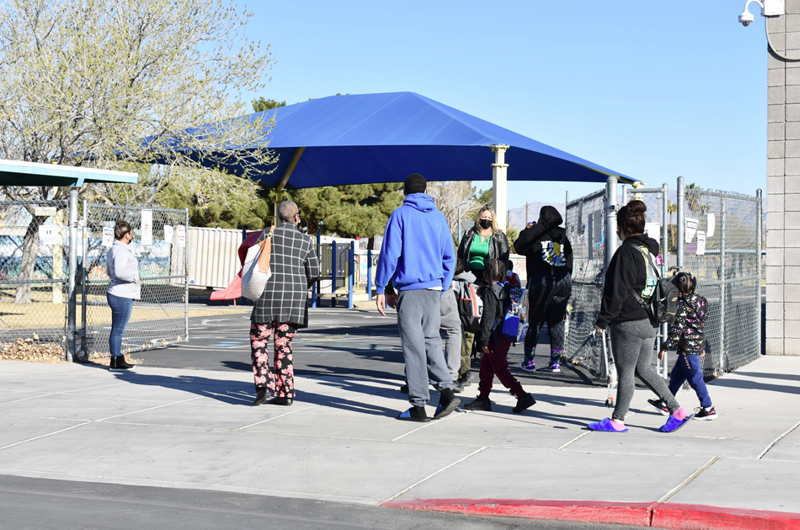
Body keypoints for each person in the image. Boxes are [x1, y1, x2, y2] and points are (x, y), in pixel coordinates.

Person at [590, 200, 692, 433]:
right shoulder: (649, 251)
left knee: (626, 371)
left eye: (617, 227)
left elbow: (616, 291)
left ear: (623, 228)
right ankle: (677, 410)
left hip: (628, 322)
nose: (616, 231)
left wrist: (603, 320)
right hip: (650, 320)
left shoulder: (625, 252)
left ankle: (617, 420)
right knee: (643, 369)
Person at [375, 173, 459, 422]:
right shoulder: (438, 216)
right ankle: (445, 391)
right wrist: (442, 285)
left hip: (410, 289)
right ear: (425, 190)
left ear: (405, 192)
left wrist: (381, 287)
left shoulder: (401, 215)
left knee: (413, 347)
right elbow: (449, 256)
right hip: (434, 288)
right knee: (431, 340)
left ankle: (419, 406)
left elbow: (390, 253)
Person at [251, 201, 320, 407]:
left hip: (266, 297)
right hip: (293, 302)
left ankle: (263, 385)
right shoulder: (306, 241)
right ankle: (285, 393)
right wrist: (299, 284)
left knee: (259, 339)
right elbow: (314, 273)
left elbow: (254, 262)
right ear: (296, 217)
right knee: (283, 345)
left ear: (280, 217)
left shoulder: (267, 234)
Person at [464, 259, 536, 414]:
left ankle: (522, 395)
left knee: (500, 368)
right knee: (486, 367)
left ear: (485, 274)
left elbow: (488, 318)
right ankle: (483, 398)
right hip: (506, 334)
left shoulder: (490, 293)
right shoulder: (509, 288)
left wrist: (483, 340)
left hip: (494, 337)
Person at [514, 206, 573, 373]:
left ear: (541, 217)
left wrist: (526, 231)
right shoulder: (562, 234)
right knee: (556, 321)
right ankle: (554, 362)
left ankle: (529, 361)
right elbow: (569, 258)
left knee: (535, 322)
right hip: (562, 279)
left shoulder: (535, 231)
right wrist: (566, 276)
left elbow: (519, 247)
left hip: (541, 279)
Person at [649, 272, 716, 420]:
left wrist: (665, 347)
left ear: (678, 289)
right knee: (677, 376)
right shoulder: (700, 301)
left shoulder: (683, 305)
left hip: (687, 348)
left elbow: (677, 329)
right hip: (693, 345)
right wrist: (701, 346)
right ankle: (666, 403)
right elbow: (699, 326)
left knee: (695, 377)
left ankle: (708, 407)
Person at [106, 220, 140, 371]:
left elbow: (110, 272)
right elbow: (119, 272)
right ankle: (115, 360)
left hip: (119, 292)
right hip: (121, 294)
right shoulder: (120, 250)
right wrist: (134, 278)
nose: (132, 235)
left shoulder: (114, 249)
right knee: (118, 329)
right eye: (131, 233)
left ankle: (117, 358)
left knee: (118, 328)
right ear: (127, 235)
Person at [457, 206, 510, 282]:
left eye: (489, 217)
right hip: (469, 275)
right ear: (479, 218)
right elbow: (460, 255)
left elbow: (504, 260)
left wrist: (498, 278)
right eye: (484, 217)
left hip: (489, 277)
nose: (486, 219)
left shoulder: (499, 236)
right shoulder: (469, 234)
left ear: (493, 219)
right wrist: (460, 271)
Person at [451, 258, 478, 389]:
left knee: (461, 349)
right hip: (473, 319)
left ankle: (464, 373)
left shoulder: (455, 283)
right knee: (469, 346)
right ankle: (466, 372)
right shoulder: (471, 280)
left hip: (460, 320)